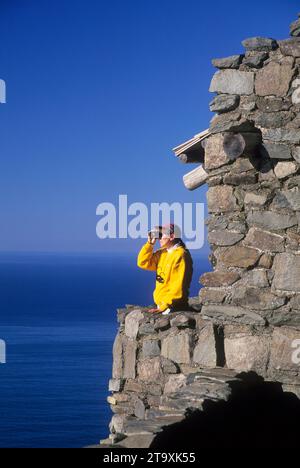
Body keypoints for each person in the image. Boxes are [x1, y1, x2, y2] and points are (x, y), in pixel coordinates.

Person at [137, 223, 193, 315]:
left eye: (161, 235)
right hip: (163, 305)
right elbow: (143, 263)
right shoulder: (162, 253)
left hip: (173, 307)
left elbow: (178, 285)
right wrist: (149, 244)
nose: (159, 238)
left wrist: (165, 306)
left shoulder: (180, 255)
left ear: (172, 236)